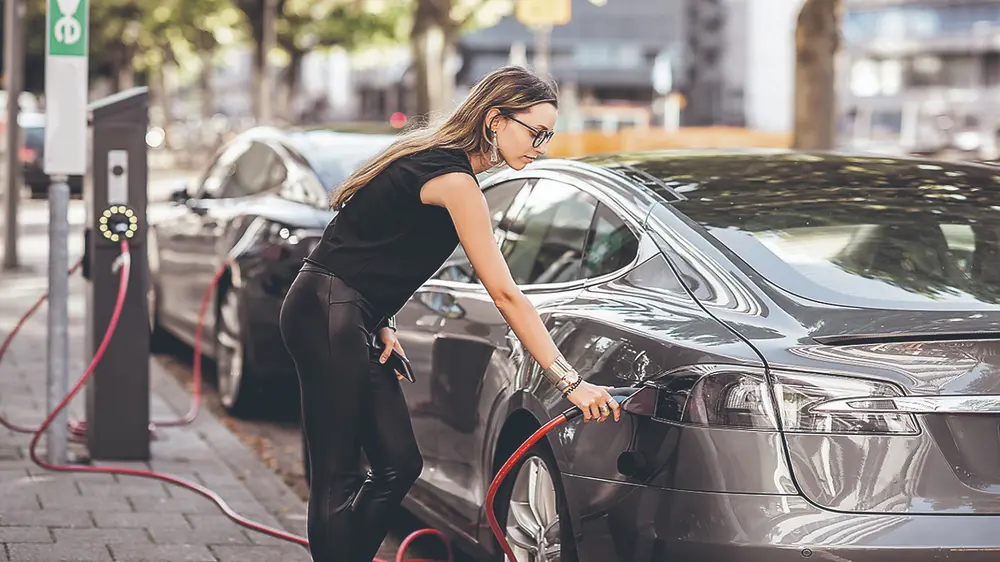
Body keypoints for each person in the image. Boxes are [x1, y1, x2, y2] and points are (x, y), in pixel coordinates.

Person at [278, 65, 623, 562]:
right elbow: (505, 294)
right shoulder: (452, 178)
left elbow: (374, 239)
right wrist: (570, 382)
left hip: (347, 313)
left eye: (548, 135)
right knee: (339, 474)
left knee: (398, 465)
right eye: (535, 132)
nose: (541, 146)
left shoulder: (439, 164)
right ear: (495, 118)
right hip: (328, 312)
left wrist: (382, 320)